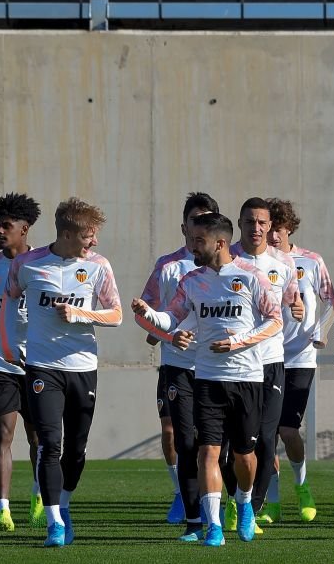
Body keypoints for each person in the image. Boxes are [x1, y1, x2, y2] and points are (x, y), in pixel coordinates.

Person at [132, 212, 283, 547]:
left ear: (220, 242)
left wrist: (237, 342)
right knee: (207, 453)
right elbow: (172, 317)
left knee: (244, 456)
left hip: (247, 378)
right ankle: (212, 525)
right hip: (207, 378)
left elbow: (275, 322)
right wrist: (149, 314)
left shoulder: (252, 276)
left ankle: (244, 503)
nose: (192, 246)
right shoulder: (192, 280)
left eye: (199, 240)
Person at [3, 197, 122, 547]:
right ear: (68, 233)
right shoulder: (27, 263)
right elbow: (10, 299)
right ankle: (54, 521)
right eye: (89, 235)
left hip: (83, 367)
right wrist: (11, 346)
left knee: (77, 449)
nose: (94, 242)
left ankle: (64, 504)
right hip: (42, 367)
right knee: (49, 444)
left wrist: (81, 314)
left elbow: (116, 314)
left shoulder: (99, 265)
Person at [140, 192, 220, 538]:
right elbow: (146, 312)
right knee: (177, 435)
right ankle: (184, 501)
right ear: (184, 226)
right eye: (195, 219)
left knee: (216, 443)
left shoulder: (229, 266)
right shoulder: (168, 266)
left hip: (218, 367)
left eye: (207, 218)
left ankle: (221, 502)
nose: (200, 225)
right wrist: (166, 335)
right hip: (177, 365)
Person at [228, 198, 302, 529]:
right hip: (235, 364)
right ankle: (230, 500)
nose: (255, 228)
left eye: (261, 222)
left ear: (270, 226)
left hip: (271, 361)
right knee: (233, 441)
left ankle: (250, 509)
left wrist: (297, 308)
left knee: (267, 439)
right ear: (240, 224)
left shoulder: (284, 263)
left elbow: (292, 300)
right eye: (249, 222)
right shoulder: (226, 259)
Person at [264, 198, 334, 521]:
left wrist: (320, 333)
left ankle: (303, 486)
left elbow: (331, 302)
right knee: (265, 435)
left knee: (288, 430)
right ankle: (272, 501)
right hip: (264, 355)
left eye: (279, 230)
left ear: (289, 229)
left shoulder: (310, 260)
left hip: (299, 356)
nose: (273, 237)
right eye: (269, 229)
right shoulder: (254, 262)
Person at [0, 193, 43, 531]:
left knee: (37, 439)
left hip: (38, 366)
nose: (0, 231)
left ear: (24, 228)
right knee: (3, 434)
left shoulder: (42, 264)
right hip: (2, 365)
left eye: (7, 225)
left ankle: (38, 493)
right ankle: (2, 508)